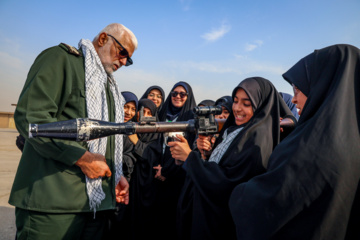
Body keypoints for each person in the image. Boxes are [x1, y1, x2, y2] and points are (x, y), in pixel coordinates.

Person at [9, 23, 138, 239]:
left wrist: (116, 176)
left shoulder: (109, 88)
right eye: (122, 51)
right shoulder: (62, 60)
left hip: (96, 207)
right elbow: (32, 118)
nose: (124, 61)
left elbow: (107, 142)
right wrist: (82, 157)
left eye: (129, 59)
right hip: (54, 203)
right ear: (103, 38)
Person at [228, 44, 360, 240]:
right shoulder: (350, 139)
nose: (295, 100)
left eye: (298, 90)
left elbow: (268, 207)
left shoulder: (314, 147)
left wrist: (238, 194)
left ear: (322, 86)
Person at [169, 77, 293, 240]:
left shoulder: (257, 139)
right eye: (235, 101)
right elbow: (223, 165)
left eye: (246, 104)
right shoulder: (237, 129)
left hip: (221, 225)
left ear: (261, 105)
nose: (237, 108)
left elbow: (229, 183)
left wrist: (190, 158)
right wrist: (203, 155)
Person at [155, 81, 197, 240]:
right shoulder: (161, 114)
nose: (178, 96)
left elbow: (190, 150)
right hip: (156, 174)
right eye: (174, 93)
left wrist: (167, 171)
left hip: (179, 177)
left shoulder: (191, 118)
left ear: (188, 97)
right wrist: (158, 168)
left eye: (182, 94)